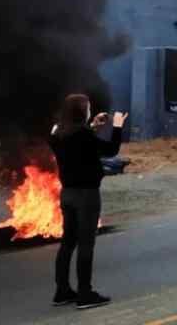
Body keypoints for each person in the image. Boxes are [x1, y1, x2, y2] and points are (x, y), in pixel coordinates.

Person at [48, 94, 128, 310]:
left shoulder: (58, 132)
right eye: (89, 109)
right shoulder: (83, 135)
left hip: (67, 194)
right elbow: (111, 149)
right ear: (82, 112)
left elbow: (75, 140)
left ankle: (62, 291)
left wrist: (92, 126)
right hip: (87, 196)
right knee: (86, 244)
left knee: (67, 243)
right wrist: (118, 126)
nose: (91, 111)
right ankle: (85, 294)